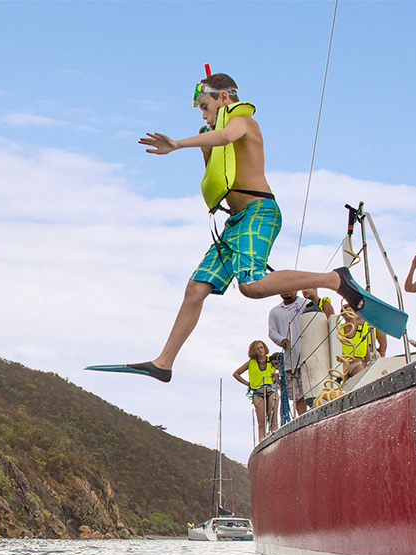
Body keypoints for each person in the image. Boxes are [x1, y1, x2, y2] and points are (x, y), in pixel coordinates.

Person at [111, 73, 370, 383]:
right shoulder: (217, 131)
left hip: (259, 211)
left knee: (251, 285)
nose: (202, 112)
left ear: (223, 98)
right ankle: (164, 363)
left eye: (205, 105)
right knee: (196, 289)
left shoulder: (243, 122)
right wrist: (205, 152)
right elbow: (218, 173)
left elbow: (225, 137)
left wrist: (179, 144)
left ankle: (332, 279)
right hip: (235, 222)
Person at [268, 291, 310, 416]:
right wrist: (281, 340)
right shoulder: (275, 311)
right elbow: (272, 332)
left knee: (312, 390)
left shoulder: (306, 304)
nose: (286, 292)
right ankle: (302, 418)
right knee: (297, 396)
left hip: (308, 357)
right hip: (289, 361)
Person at [233, 340, 278, 441]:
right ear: (254, 351)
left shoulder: (271, 360)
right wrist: (248, 383)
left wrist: (277, 377)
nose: (260, 350)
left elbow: (280, 367)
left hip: (271, 391)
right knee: (261, 422)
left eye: (261, 347)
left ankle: (275, 440)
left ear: (264, 348)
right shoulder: (250, 363)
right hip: (258, 393)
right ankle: (262, 443)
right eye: (257, 349)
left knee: (273, 420)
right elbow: (236, 373)